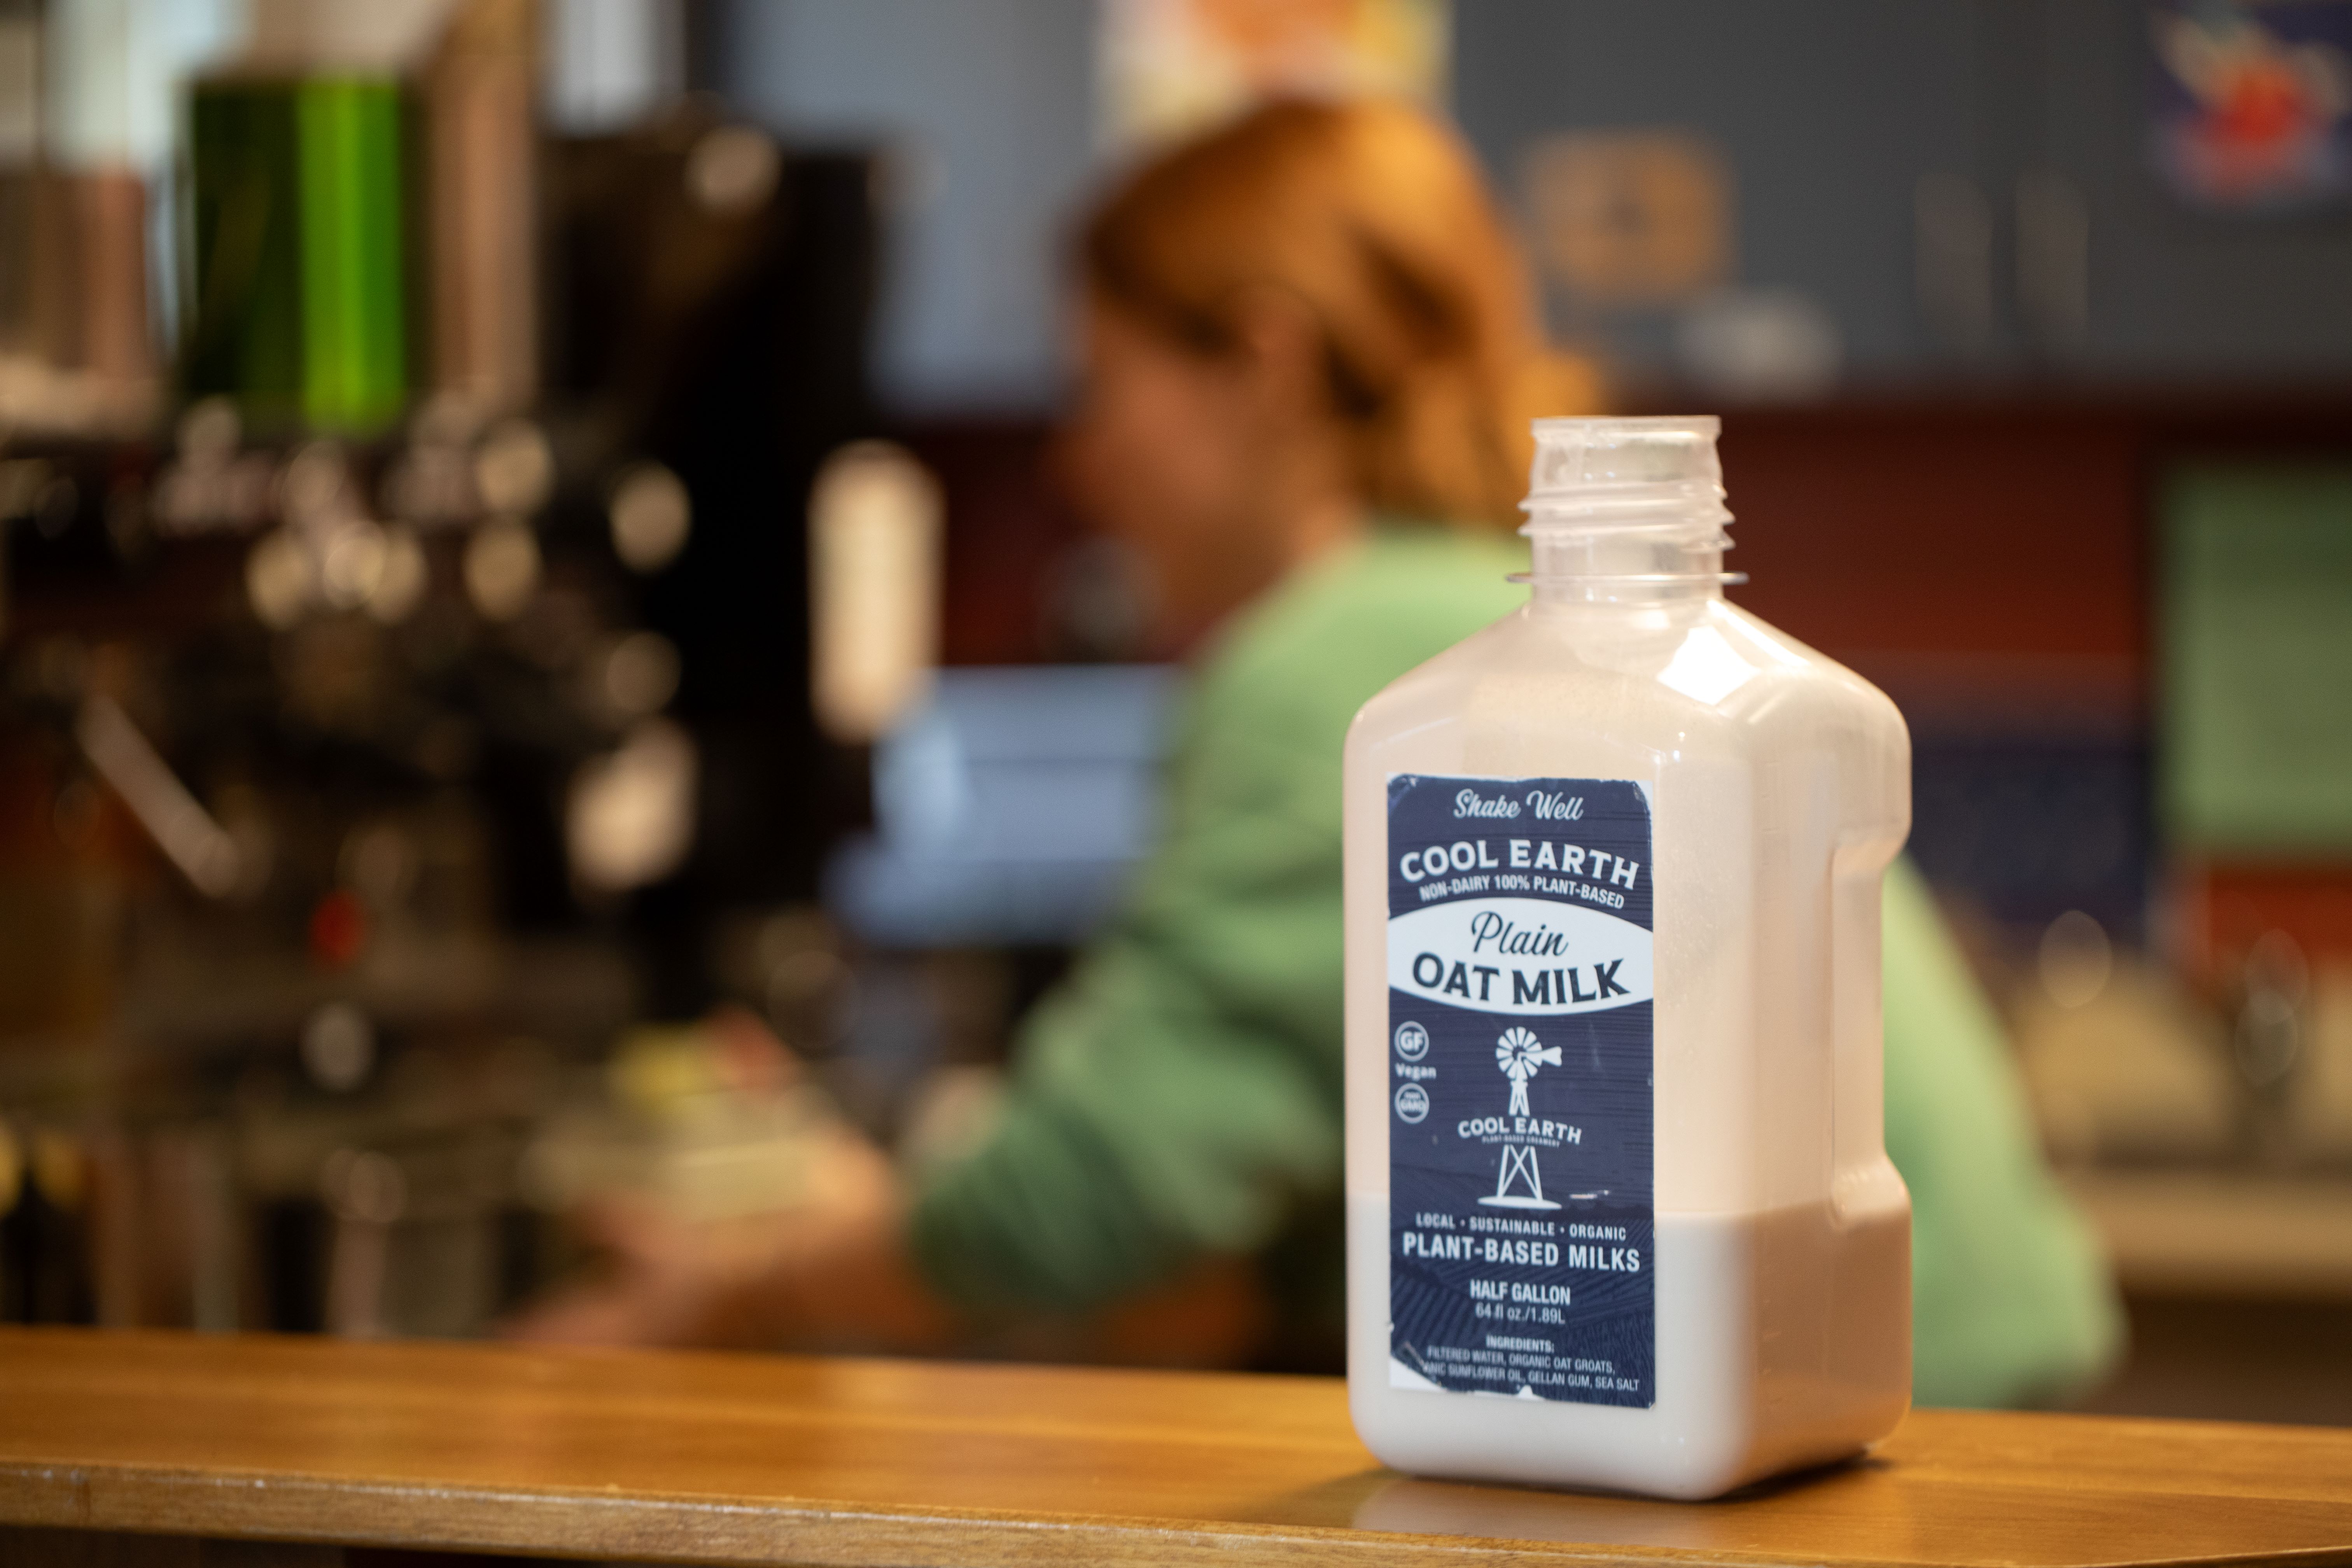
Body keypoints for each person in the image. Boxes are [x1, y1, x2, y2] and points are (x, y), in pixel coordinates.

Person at [517, 98, 2120, 1407]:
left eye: (1106, 384)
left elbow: (1106, 1184)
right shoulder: (1453, 630)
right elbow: (1229, 1201)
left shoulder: (1353, 665)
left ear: (1264, 367)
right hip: (1905, 1383)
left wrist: (732, 1294)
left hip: (1879, 1441)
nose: (1081, 457)